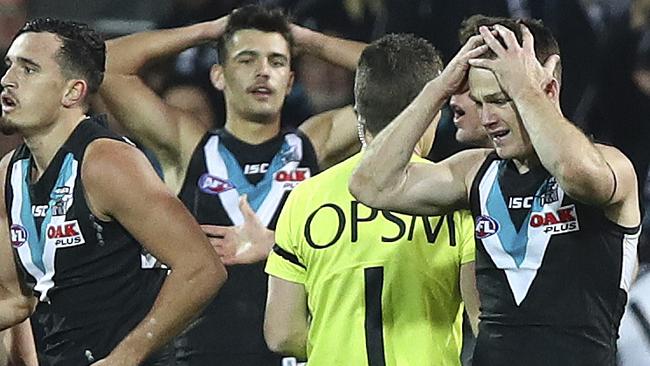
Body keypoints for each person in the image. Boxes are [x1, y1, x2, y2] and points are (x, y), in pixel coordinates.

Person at [350, 15, 641, 366]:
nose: (487, 118)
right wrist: (440, 87)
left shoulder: (612, 165)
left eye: (501, 99)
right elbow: (369, 184)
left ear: (548, 86)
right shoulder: (476, 172)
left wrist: (526, 89)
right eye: (480, 101)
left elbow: (575, 174)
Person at [100, 5, 365, 365]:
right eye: (246, 60)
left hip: (292, 355)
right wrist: (207, 30)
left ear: (290, 80)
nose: (263, 72)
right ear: (218, 75)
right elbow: (107, 65)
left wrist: (307, 39)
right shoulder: (188, 145)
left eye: (277, 61)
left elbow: (411, 82)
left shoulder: (315, 143)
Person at [0, 18, 226, 365]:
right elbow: (17, 299)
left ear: (72, 92)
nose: (8, 80)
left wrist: (127, 356)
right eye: (10, 65)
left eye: (28, 69)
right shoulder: (8, 173)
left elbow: (201, 269)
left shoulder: (108, 163)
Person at [263, 33, 480, 366]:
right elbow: (482, 320)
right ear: (431, 113)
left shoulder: (304, 199)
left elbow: (281, 333)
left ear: (359, 116)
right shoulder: (453, 194)